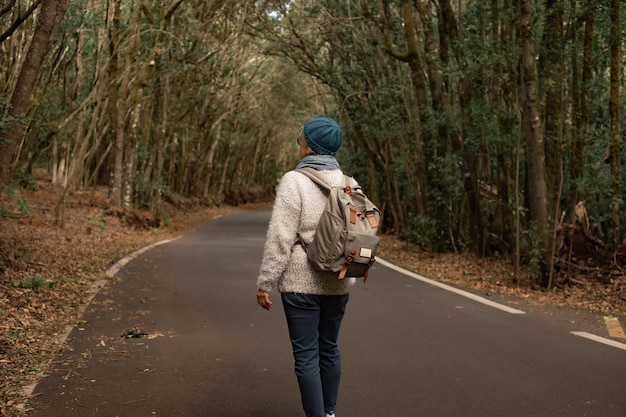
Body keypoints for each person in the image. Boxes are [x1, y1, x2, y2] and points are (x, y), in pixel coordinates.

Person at [256, 116, 354, 417]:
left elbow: (280, 236)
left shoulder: (294, 181)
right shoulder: (350, 182)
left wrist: (265, 281)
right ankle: (329, 412)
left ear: (308, 146)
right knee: (330, 348)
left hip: (300, 283)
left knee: (306, 354)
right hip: (338, 280)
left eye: (301, 140)